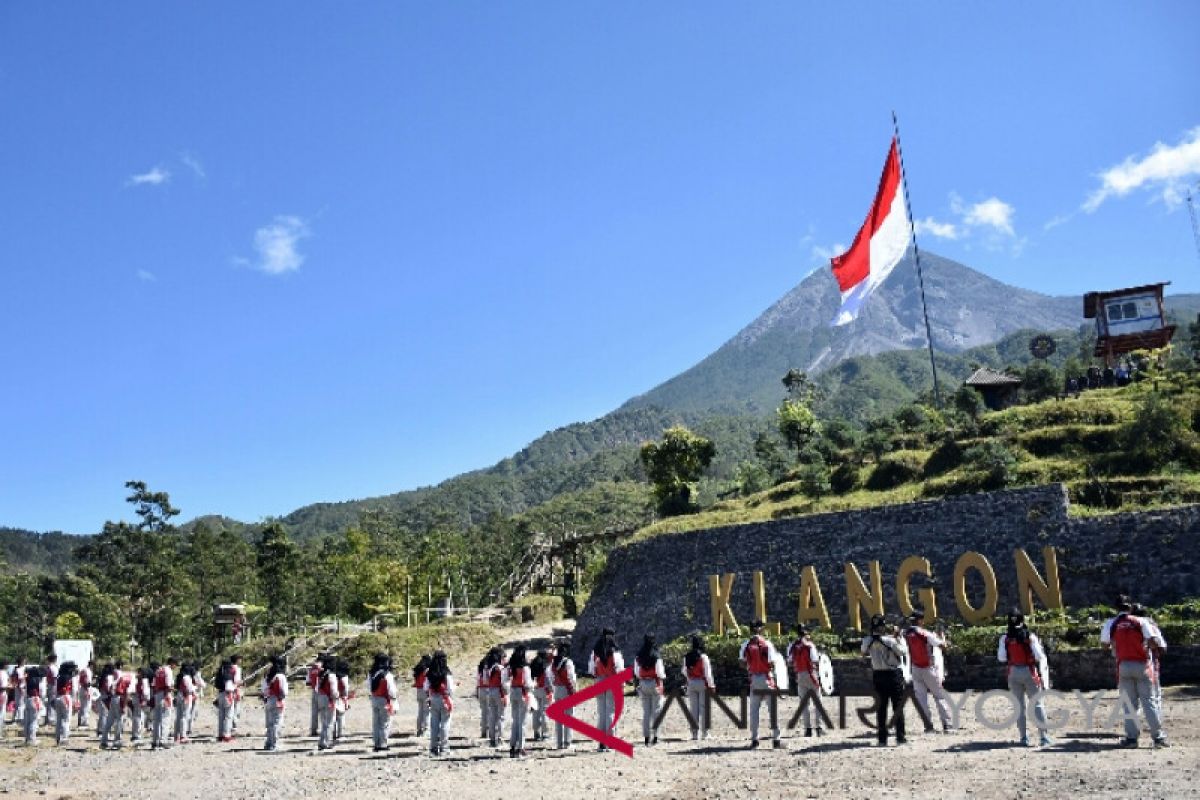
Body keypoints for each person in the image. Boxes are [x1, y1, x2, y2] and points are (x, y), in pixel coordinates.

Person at [1100, 600, 1168, 747]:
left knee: (1129, 704)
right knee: (1149, 701)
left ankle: (1132, 739)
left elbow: (1105, 645)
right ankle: (1158, 738)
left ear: (1115, 608)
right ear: (1129, 608)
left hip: (1123, 665)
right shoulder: (1140, 621)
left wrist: (1117, 644)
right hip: (1142, 664)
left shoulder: (1111, 623)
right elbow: (1153, 642)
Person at [997, 610, 1051, 747]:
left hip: (1013, 672)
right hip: (1029, 671)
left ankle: (1023, 738)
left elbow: (1001, 658)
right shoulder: (1030, 636)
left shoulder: (1005, 638)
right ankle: (1043, 737)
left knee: (1019, 706)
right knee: (1037, 704)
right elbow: (1039, 656)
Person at [902, 611, 955, 733]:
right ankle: (947, 725)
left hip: (915, 668)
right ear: (920, 620)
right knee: (939, 696)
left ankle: (928, 726)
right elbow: (943, 647)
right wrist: (942, 638)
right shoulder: (925, 633)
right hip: (928, 668)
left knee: (921, 698)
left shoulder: (905, 633)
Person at [862, 614, 909, 747]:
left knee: (881, 708)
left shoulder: (867, 640)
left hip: (878, 675)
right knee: (897, 706)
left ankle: (882, 739)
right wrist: (899, 637)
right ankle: (900, 737)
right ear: (882, 627)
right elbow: (903, 652)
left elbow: (863, 651)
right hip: (893, 675)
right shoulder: (890, 641)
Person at [740, 620, 782, 749]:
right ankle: (776, 740)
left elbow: (742, 662)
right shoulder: (767, 644)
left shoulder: (746, 644)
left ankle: (754, 739)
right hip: (766, 678)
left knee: (754, 711)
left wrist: (750, 667)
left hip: (754, 679)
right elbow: (773, 663)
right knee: (772, 710)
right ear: (760, 629)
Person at [589, 628, 625, 752]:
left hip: (599, 681)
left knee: (601, 712)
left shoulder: (595, 652)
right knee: (610, 712)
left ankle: (601, 743)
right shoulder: (615, 653)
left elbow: (591, 670)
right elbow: (619, 670)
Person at [787, 624, 825, 737]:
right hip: (811, 674)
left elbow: (789, 662)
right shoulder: (810, 645)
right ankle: (819, 728)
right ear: (806, 633)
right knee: (818, 702)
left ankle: (807, 729)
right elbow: (816, 661)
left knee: (804, 704)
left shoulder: (792, 646)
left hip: (800, 674)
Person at [634, 634, 665, 746]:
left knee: (646, 712)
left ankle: (646, 737)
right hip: (655, 683)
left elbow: (637, 672)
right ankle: (656, 736)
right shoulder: (656, 655)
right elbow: (660, 672)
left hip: (643, 683)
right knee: (657, 710)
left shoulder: (639, 656)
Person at [682, 635, 715, 741]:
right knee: (704, 708)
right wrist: (711, 685)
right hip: (702, 683)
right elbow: (708, 674)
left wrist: (689, 679)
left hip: (691, 682)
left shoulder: (687, 656)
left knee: (693, 709)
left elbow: (684, 670)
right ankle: (705, 733)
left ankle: (694, 733)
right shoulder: (703, 657)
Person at [424, 650, 455, 757]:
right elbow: (451, 688)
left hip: (433, 699)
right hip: (445, 699)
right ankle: (444, 748)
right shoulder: (446, 672)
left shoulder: (429, 672)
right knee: (445, 724)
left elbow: (426, 687)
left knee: (434, 725)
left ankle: (433, 748)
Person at [549, 641, 577, 750]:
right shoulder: (568, 662)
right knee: (568, 716)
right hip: (566, 689)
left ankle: (559, 742)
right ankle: (567, 742)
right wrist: (573, 690)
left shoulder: (554, 663)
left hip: (557, 689)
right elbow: (571, 678)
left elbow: (551, 677)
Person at [507, 644, 533, 758]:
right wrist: (533, 685)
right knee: (522, 722)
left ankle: (512, 747)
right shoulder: (525, 668)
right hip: (523, 693)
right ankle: (520, 747)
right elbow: (528, 684)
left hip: (513, 692)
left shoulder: (511, 667)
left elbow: (505, 680)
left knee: (515, 721)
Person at [369, 653, 398, 752]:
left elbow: (369, 687)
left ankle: (376, 743)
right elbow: (392, 691)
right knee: (385, 723)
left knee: (376, 722)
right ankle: (383, 744)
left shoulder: (371, 673)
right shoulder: (387, 674)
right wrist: (393, 699)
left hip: (374, 698)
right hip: (384, 699)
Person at [482, 647, 509, 747]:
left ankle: (492, 739)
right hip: (499, 691)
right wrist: (505, 694)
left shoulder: (488, 667)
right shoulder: (500, 668)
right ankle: (500, 739)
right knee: (501, 716)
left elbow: (485, 681)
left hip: (490, 691)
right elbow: (504, 683)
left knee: (492, 716)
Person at [262, 656, 289, 752]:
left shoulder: (268, 675)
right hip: (277, 700)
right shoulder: (281, 676)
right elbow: (284, 691)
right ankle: (275, 744)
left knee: (269, 723)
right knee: (277, 722)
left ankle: (268, 742)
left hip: (268, 699)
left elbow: (263, 689)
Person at [151, 658, 176, 749]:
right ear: (172, 663)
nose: (175, 667)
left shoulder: (159, 670)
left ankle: (155, 741)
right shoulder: (168, 671)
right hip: (165, 695)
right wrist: (173, 690)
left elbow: (153, 684)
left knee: (157, 720)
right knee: (166, 719)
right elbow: (168, 684)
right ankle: (163, 741)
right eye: (175, 664)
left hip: (157, 695)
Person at [315, 657, 340, 751]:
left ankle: (322, 741)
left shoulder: (320, 674)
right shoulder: (331, 675)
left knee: (324, 722)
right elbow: (333, 691)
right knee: (329, 722)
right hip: (329, 699)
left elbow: (317, 688)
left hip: (320, 697)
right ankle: (326, 742)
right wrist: (337, 696)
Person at [529, 648, 552, 743]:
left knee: (536, 712)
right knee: (545, 712)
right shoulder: (545, 666)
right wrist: (551, 690)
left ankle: (536, 732)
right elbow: (548, 680)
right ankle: (545, 733)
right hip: (544, 689)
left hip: (535, 690)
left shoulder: (533, 665)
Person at [53, 662, 78, 745]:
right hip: (66, 697)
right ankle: (64, 738)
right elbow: (74, 690)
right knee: (66, 719)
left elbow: (54, 689)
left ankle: (57, 738)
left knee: (59, 719)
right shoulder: (70, 678)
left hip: (58, 698)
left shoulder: (58, 677)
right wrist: (75, 701)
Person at [173, 662, 197, 744]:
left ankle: (176, 736)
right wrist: (195, 687)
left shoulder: (179, 676)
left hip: (179, 695)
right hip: (186, 696)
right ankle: (183, 736)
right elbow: (189, 688)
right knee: (185, 716)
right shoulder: (186, 677)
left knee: (178, 716)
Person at [215, 659, 237, 743]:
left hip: (220, 694)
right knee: (228, 716)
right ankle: (227, 735)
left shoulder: (220, 672)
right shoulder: (228, 674)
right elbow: (228, 687)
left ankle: (220, 735)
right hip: (227, 695)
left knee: (221, 716)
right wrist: (235, 686)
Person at [22, 665, 44, 745]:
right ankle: (32, 739)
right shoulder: (37, 680)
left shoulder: (28, 679)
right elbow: (41, 692)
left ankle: (27, 739)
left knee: (28, 721)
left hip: (28, 699)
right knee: (34, 721)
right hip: (35, 699)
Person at [130, 666, 152, 745]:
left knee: (136, 717)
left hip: (136, 699)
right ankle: (137, 736)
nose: (138, 673)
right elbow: (145, 692)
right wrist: (145, 700)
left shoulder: (137, 679)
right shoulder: (144, 680)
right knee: (140, 718)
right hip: (141, 700)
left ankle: (134, 735)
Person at [412, 654, 431, 738]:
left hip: (418, 691)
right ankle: (425, 730)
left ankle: (419, 730)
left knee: (420, 711)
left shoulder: (418, 670)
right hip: (425, 691)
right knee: (426, 711)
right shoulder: (427, 670)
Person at [333, 660, 351, 741]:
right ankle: (340, 734)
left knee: (333, 717)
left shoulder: (333, 675)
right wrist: (346, 700)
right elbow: (345, 690)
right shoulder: (344, 677)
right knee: (341, 716)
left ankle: (333, 733)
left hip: (333, 697)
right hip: (341, 697)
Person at [306, 656, 323, 737]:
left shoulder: (311, 669)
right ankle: (324, 729)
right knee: (324, 712)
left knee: (314, 712)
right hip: (323, 691)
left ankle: (313, 730)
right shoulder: (323, 668)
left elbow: (308, 682)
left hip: (314, 691)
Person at [229, 655, 244, 733]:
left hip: (228, 690)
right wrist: (242, 682)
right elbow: (237, 681)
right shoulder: (237, 669)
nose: (241, 661)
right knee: (236, 709)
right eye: (240, 659)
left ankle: (231, 724)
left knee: (231, 708)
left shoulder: (228, 667)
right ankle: (234, 726)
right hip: (235, 690)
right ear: (237, 660)